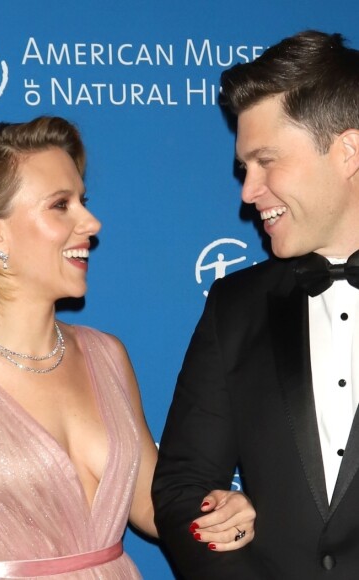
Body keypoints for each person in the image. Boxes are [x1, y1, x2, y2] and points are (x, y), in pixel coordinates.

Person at [0, 116, 255, 580]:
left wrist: (217, 510)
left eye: (83, 201)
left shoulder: (106, 355)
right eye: (60, 205)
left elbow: (153, 504)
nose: (91, 223)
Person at [152, 30, 359, 579]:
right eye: (246, 168)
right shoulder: (235, 306)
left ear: (348, 152)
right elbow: (181, 489)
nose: (247, 191)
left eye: (266, 161)